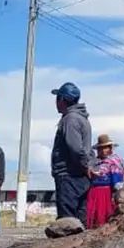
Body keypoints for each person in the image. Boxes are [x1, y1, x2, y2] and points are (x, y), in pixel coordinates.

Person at [50, 82, 92, 225]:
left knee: (68, 222)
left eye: (57, 99)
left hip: (69, 175)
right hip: (79, 176)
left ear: (62, 100)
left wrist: (85, 165)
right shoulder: (82, 118)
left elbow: (75, 148)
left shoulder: (70, 119)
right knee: (80, 218)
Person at [86, 134, 124, 229]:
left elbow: (117, 181)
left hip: (107, 193)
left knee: (105, 216)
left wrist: (115, 194)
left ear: (110, 148)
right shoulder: (94, 162)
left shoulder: (115, 161)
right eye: (101, 148)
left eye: (106, 148)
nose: (103, 150)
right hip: (94, 193)